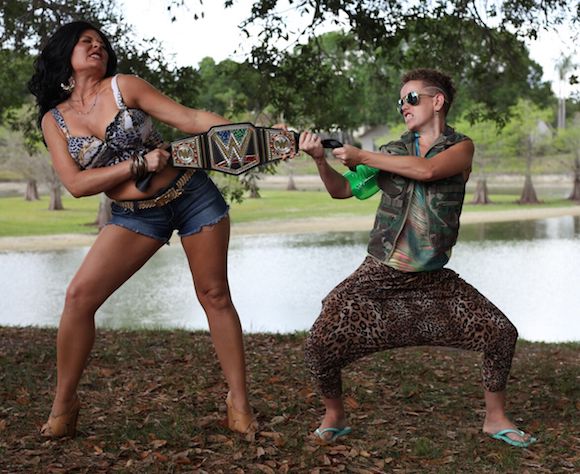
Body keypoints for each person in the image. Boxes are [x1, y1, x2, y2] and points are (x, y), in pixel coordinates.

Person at [28, 21, 258, 438]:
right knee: (79, 297)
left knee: (215, 295)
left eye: (102, 42)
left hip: (191, 195)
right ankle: (65, 404)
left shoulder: (124, 86)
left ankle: (238, 402)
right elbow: (77, 185)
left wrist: (243, 135)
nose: (97, 46)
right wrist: (138, 164)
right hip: (136, 216)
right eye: (87, 42)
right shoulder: (54, 122)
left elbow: (189, 119)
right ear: (66, 53)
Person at [299, 68, 537, 448]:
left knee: (499, 332)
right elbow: (343, 190)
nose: (403, 107)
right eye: (400, 102)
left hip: (432, 279)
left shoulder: (461, 148)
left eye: (411, 99)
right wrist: (320, 161)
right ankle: (335, 416)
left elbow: (427, 171)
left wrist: (363, 154)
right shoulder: (390, 152)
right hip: (379, 274)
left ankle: (495, 418)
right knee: (318, 344)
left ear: (437, 101)